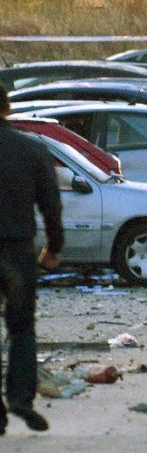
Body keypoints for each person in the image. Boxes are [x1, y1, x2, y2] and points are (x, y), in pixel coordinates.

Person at [0, 85, 63, 435]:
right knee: (22, 328)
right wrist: (54, 246)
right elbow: (51, 205)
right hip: (17, 250)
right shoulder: (31, 150)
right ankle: (21, 398)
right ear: (7, 107)